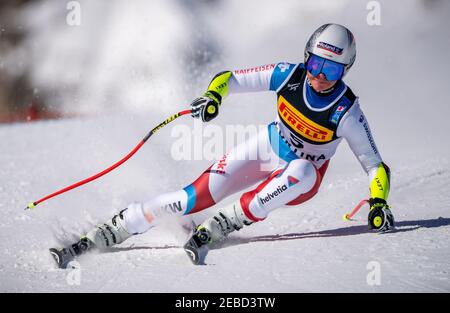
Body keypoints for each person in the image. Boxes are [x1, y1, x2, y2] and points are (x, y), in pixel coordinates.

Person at [50, 23, 394, 268]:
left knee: (302, 169)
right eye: (316, 64)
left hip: (303, 178)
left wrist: (378, 202)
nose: (319, 76)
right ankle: (115, 228)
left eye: (331, 70)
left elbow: (374, 163)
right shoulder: (288, 75)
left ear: (345, 70)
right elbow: (231, 78)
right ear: (306, 58)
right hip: (268, 148)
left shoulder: (346, 110)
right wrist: (214, 96)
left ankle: (225, 222)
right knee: (188, 198)